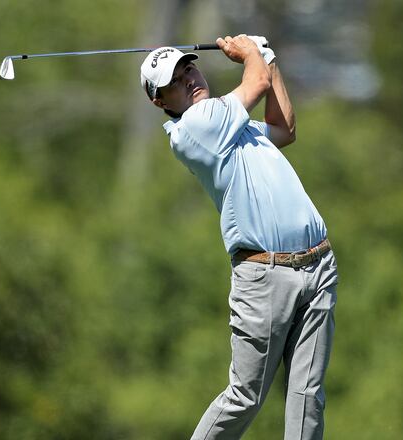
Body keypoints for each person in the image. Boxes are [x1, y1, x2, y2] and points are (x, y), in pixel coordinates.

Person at [139, 35, 338, 440]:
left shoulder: (235, 127)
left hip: (318, 267)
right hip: (265, 278)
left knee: (308, 395)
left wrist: (268, 57)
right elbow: (257, 84)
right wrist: (250, 54)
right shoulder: (197, 127)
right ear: (161, 101)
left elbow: (284, 128)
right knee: (245, 396)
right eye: (176, 81)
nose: (190, 79)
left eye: (189, 68)